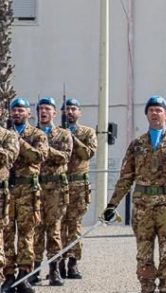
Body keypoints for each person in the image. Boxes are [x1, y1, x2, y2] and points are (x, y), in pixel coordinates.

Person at [103, 96, 166, 293]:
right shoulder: (137, 145)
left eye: (159, 110)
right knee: (143, 253)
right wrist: (112, 205)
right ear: (146, 114)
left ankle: (165, 287)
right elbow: (126, 178)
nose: (155, 113)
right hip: (142, 207)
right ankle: (146, 288)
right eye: (151, 110)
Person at [3, 98, 48, 293]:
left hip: (28, 191)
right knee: (6, 234)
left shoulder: (36, 134)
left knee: (26, 234)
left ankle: (24, 275)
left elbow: (39, 156)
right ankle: (9, 275)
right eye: (14, 110)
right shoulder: (4, 135)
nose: (17, 113)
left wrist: (18, 141)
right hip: (7, 190)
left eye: (21, 110)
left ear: (28, 114)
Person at [32, 97, 73, 287]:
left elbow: (65, 157)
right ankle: (34, 268)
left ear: (54, 113)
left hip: (56, 189)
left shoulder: (63, 135)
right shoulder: (31, 134)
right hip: (35, 187)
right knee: (35, 229)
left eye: (47, 109)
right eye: (40, 109)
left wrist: (45, 150)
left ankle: (55, 269)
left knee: (54, 229)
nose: (43, 112)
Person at [60, 98, 97, 280]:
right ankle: (57, 262)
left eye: (74, 109)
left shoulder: (87, 132)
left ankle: (73, 262)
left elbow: (87, 154)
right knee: (57, 225)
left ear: (79, 112)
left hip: (78, 185)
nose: (70, 112)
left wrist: (71, 137)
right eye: (67, 109)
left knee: (74, 225)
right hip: (58, 185)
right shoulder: (55, 133)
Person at [0, 111, 20, 290]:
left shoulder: (9, 136)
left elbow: (8, 157)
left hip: (1, 194)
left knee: (3, 237)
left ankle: (6, 276)